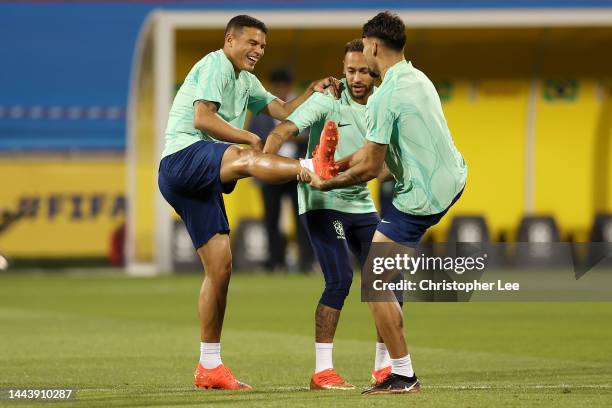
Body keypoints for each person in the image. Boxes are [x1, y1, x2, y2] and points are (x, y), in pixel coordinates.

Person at [157, 15, 339, 390]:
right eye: (252, 43)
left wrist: (313, 92)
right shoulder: (215, 64)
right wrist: (248, 139)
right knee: (245, 158)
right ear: (230, 40)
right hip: (182, 158)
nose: (257, 51)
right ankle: (309, 166)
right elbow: (203, 118)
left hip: (198, 176)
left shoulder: (247, 80)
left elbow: (285, 111)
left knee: (221, 268)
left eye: (262, 47)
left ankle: (209, 366)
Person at [302, 12, 467, 395]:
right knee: (386, 275)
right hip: (454, 177)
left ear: (373, 46)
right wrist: (339, 163)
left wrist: (329, 182)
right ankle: (390, 368)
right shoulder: (416, 77)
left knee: (376, 282)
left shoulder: (384, 98)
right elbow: (370, 151)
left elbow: (373, 169)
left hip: (421, 198)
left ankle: (403, 374)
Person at [264, 39, 394, 390]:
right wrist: (273, 162)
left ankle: (385, 368)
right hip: (321, 202)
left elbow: (384, 168)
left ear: (376, 71)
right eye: (350, 70)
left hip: (360, 203)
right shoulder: (327, 100)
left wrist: (353, 172)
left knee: (388, 279)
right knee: (340, 280)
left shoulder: (385, 107)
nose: (356, 78)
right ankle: (323, 372)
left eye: (364, 71)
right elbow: (281, 132)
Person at [248, 68, 314, 271]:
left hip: (297, 171)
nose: (281, 90)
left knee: (302, 217)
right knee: (271, 218)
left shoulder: (303, 107)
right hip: (270, 171)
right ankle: (275, 261)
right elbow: (255, 137)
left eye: (284, 86)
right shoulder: (264, 110)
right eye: (278, 86)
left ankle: (306, 261)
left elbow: (314, 133)